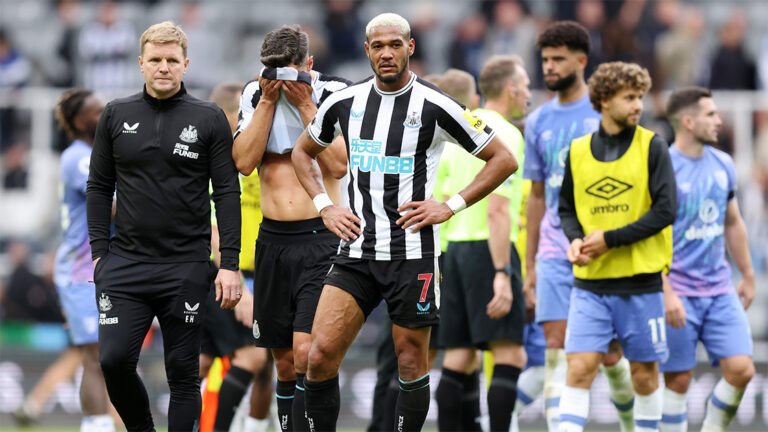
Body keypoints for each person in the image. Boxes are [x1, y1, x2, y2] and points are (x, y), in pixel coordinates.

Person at [291, 12, 518, 431]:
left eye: (395, 44)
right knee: (317, 356)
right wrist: (325, 204)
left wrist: (450, 205)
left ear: (410, 47)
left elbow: (503, 158)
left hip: (411, 254)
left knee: (410, 362)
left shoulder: (436, 104)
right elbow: (302, 153)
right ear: (367, 51)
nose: (387, 53)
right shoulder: (345, 102)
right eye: (378, 46)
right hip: (356, 251)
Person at [86, 21, 242, 431]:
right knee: (113, 361)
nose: (163, 67)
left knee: (183, 373)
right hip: (125, 265)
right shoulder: (116, 114)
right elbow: (99, 187)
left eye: (172, 60)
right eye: (155, 59)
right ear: (140, 64)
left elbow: (226, 193)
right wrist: (100, 255)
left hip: (185, 266)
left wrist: (229, 262)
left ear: (185, 65)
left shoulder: (208, 118)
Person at [231, 24, 350, 432]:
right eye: (272, 70)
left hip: (321, 238)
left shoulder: (333, 92)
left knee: (306, 353)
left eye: (289, 70)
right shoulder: (252, 93)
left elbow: (337, 165)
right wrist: (266, 101)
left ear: (309, 65)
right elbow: (244, 162)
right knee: (282, 361)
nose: (281, 79)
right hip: (272, 241)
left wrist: (305, 106)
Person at [523, 21, 635, 431]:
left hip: (605, 250)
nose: (549, 67)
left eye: (558, 60)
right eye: (545, 60)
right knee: (557, 349)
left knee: (609, 356)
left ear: (582, 61)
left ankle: (629, 422)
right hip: (555, 250)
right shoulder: (537, 122)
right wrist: (531, 262)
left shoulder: (607, 112)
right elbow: (537, 196)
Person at [557, 61, 676, 432]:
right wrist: (575, 239)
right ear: (604, 100)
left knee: (643, 376)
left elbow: (666, 211)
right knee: (578, 369)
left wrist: (609, 239)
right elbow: (567, 209)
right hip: (590, 284)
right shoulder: (577, 151)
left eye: (640, 97)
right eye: (629, 97)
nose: (638, 105)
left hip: (641, 283)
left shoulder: (653, 146)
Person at [436, 56, 530, 432]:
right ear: (510, 88)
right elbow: (497, 211)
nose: (527, 93)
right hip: (486, 253)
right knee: (511, 354)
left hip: (453, 251)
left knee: (459, 356)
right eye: (524, 85)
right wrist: (503, 273)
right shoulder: (507, 134)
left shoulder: (463, 130)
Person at [659, 87, 755, 432]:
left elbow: (732, 221)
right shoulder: (663, 167)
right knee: (678, 382)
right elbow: (652, 237)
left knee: (742, 369)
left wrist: (747, 273)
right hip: (678, 292)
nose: (719, 120)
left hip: (719, 289)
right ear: (688, 121)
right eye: (711, 114)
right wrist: (666, 291)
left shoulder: (723, 163)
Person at [201, 82, 274, 432]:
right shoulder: (220, 158)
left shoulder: (257, 152)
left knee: (267, 361)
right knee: (252, 357)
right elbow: (214, 228)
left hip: (260, 270)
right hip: (231, 271)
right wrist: (240, 285)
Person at [52, 88, 114, 431]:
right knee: (95, 356)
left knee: (110, 355)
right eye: (97, 110)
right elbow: (112, 207)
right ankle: (96, 425)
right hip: (81, 271)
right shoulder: (78, 157)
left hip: (105, 267)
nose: (105, 113)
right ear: (79, 121)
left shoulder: (102, 154)